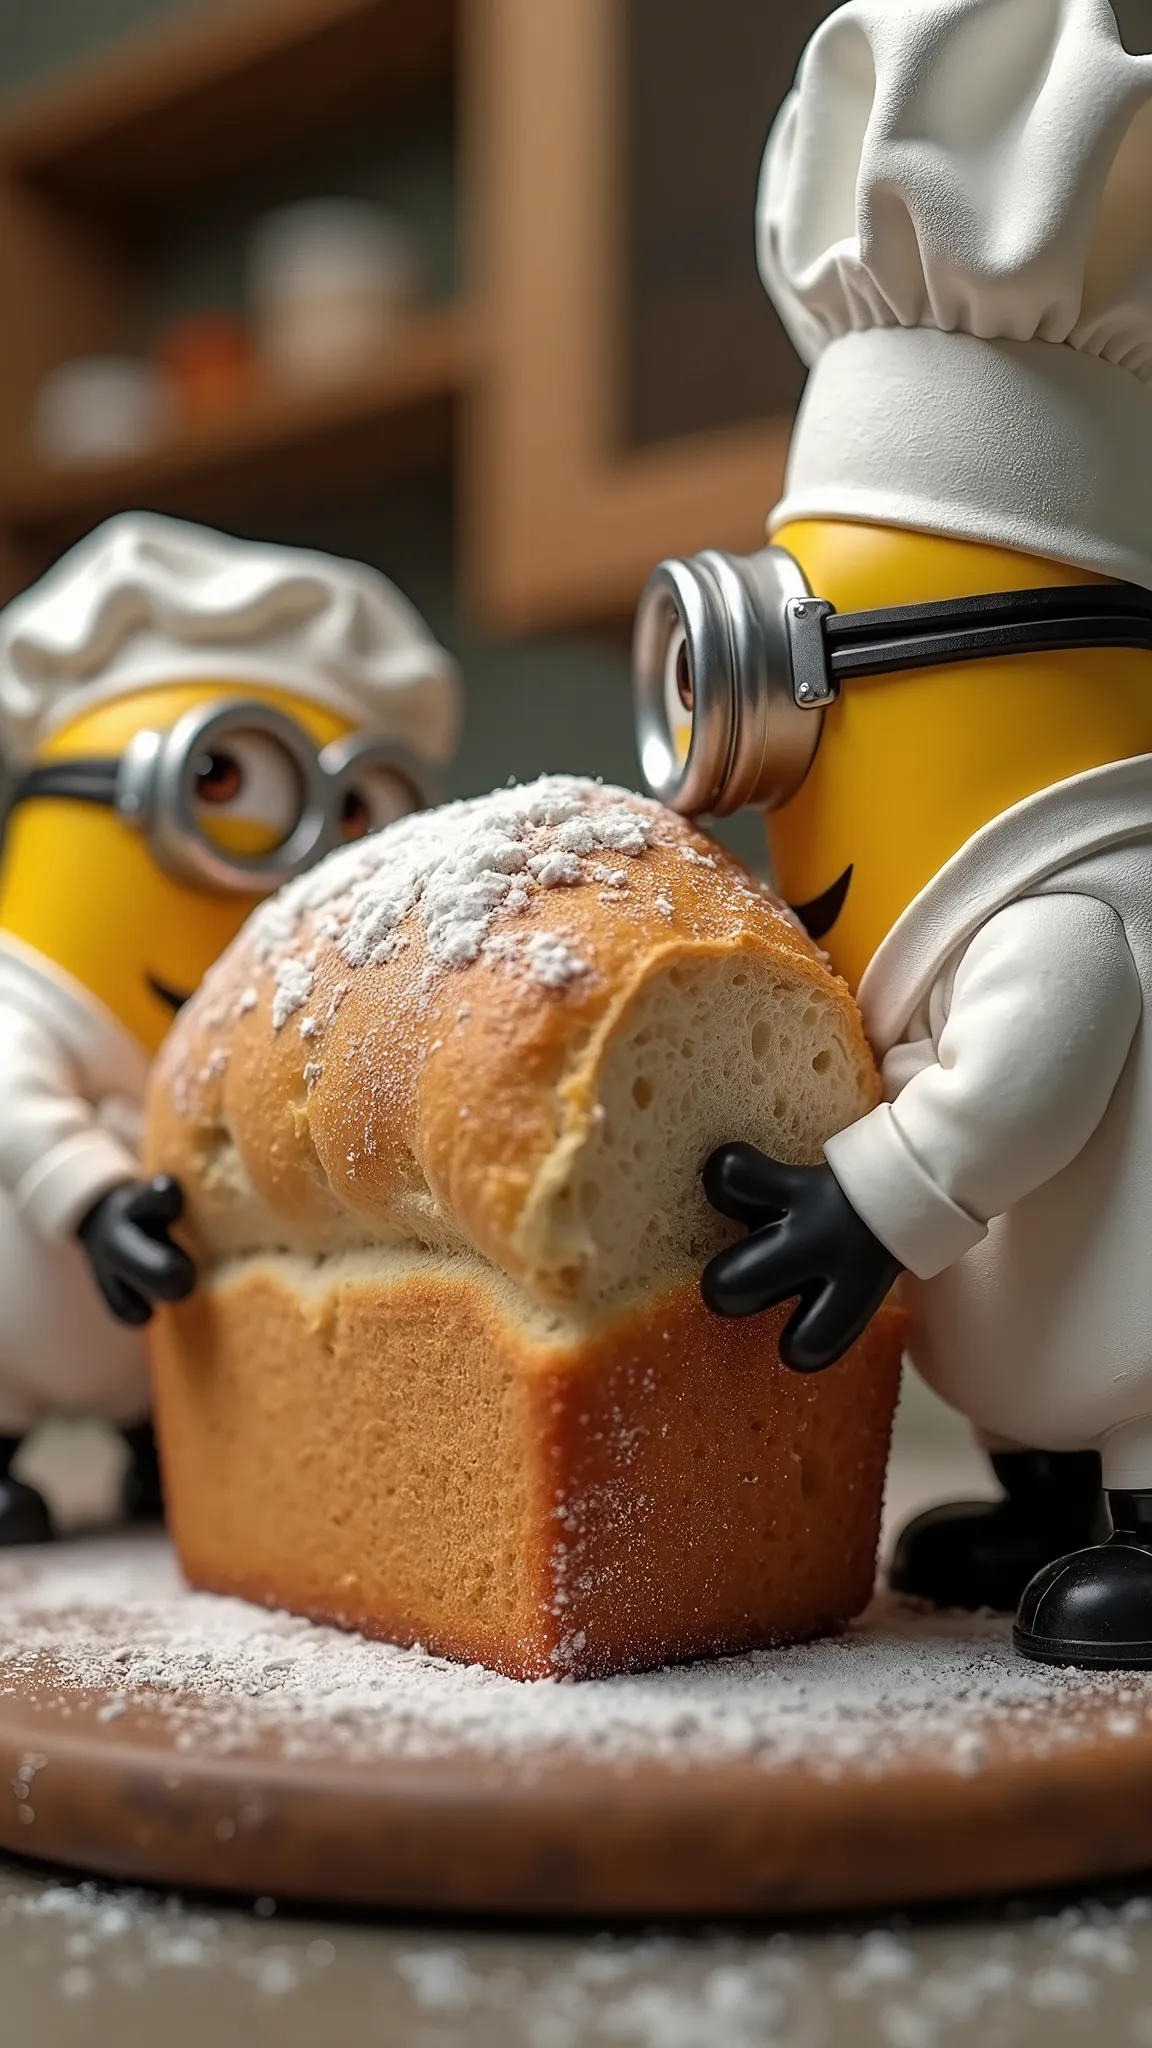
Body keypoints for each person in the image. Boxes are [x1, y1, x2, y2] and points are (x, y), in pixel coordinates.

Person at [639, 0, 1152, 1668]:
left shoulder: (1072, 898)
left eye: (814, 657)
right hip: (1031, 1317)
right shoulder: (916, 891)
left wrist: (872, 1200)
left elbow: (1035, 1058)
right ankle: (1048, 1490)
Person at [0, 511, 459, 1541]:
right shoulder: (23, 1000)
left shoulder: (287, 1047)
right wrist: (93, 1200)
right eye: (222, 784)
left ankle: (155, 1442)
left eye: (353, 817)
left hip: (162, 1369)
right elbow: (13, 1098)